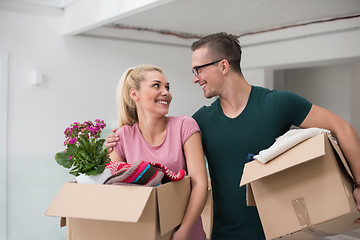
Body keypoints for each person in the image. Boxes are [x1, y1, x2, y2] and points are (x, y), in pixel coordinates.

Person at [106, 33, 360, 239]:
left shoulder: (278, 103)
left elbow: (342, 128)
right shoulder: (201, 120)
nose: (195, 79)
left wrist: (359, 185)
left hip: (283, 231)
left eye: (198, 70)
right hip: (224, 235)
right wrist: (119, 140)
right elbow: (169, 158)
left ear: (223, 66)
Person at [108, 65, 208, 240]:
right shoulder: (123, 136)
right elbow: (109, 187)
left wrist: (183, 231)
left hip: (187, 234)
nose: (166, 92)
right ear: (134, 94)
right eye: (156, 85)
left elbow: (200, 184)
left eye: (167, 87)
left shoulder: (185, 126)